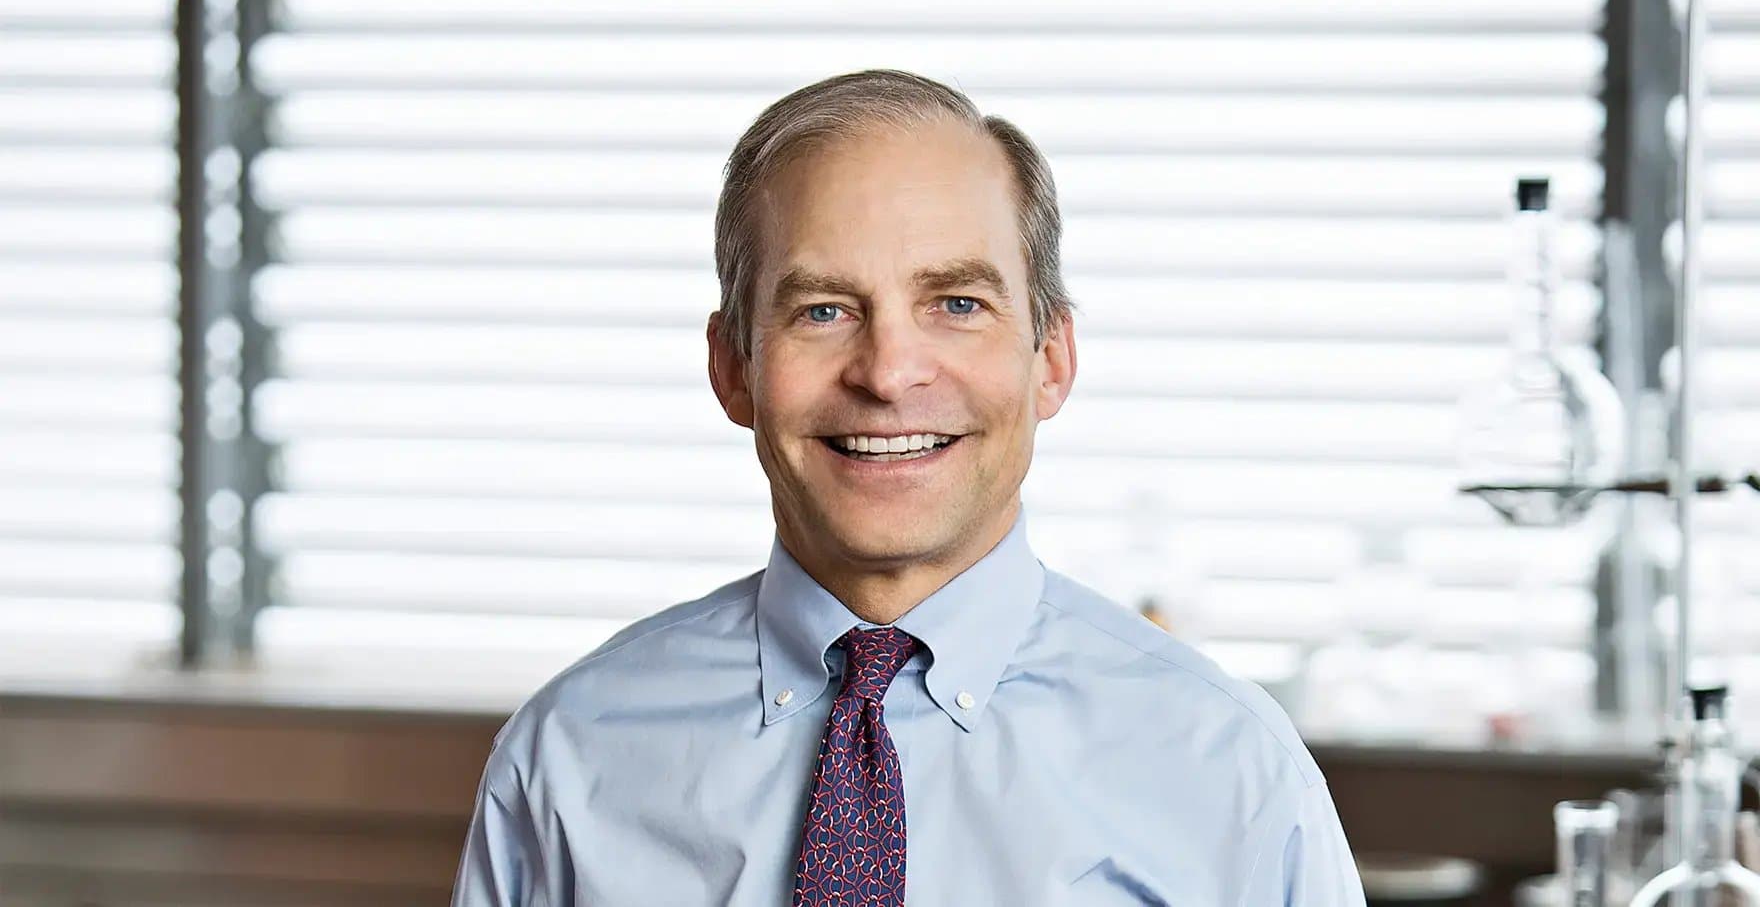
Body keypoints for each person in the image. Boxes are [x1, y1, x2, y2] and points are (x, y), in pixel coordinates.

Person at [449, 68, 1366, 906]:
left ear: (1051, 359)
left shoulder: (1228, 769)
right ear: (734, 367)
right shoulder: (567, 758)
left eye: (957, 304)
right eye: (824, 311)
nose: (888, 373)